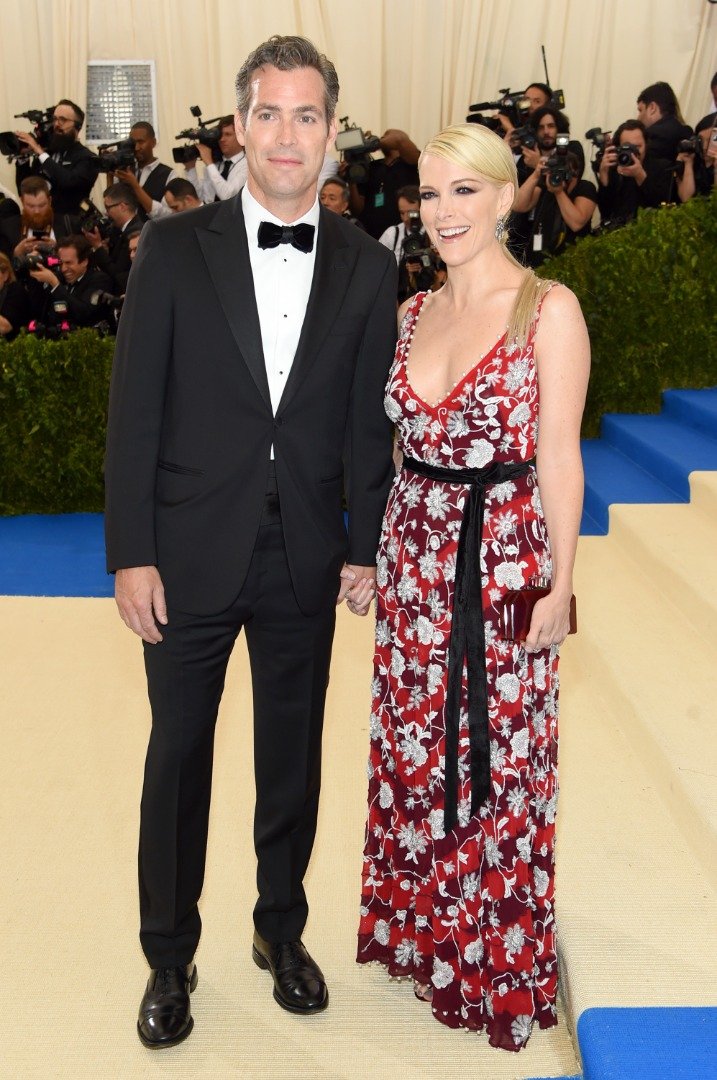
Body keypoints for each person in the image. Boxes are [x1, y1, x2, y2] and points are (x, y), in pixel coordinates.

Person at [104, 34, 397, 1049]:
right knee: (177, 757)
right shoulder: (176, 248)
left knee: (292, 755)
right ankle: (168, 956)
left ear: (331, 132)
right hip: (184, 554)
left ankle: (281, 929)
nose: (286, 135)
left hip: (304, 556)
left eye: (306, 115)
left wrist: (365, 541)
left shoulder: (366, 264)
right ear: (239, 129)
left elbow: (368, 419)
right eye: (268, 114)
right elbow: (135, 407)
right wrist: (129, 550)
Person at [356, 122, 590, 1051]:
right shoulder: (411, 313)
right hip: (413, 557)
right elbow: (394, 450)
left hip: (500, 561)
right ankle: (422, 933)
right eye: (430, 192)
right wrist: (370, 554)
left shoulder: (547, 309)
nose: (444, 212)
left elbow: (560, 458)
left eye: (466, 192)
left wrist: (561, 582)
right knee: (416, 749)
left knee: (495, 761)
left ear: (503, 198)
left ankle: (490, 951)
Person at [14, 99, 99, 216]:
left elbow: (68, 182)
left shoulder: (88, 158)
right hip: (38, 220)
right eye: (55, 119)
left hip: (67, 226)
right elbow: (25, 190)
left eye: (63, 120)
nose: (56, 124)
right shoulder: (47, 153)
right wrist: (22, 156)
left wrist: (38, 151)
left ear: (77, 127)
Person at [637, 81, 692, 161]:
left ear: (652, 108)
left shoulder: (653, 136)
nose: (638, 118)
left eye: (640, 110)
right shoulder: (686, 132)